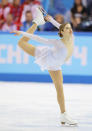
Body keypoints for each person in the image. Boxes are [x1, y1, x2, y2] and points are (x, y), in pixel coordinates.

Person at [11, 8, 78, 125]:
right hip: (46, 56)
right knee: (21, 43)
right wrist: (22, 33)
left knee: (60, 89)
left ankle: (64, 115)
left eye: (70, 27)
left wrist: (50, 19)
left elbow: (60, 25)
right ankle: (36, 22)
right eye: (67, 28)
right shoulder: (57, 42)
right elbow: (39, 39)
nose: (70, 29)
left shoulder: (72, 37)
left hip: (56, 65)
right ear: (62, 32)